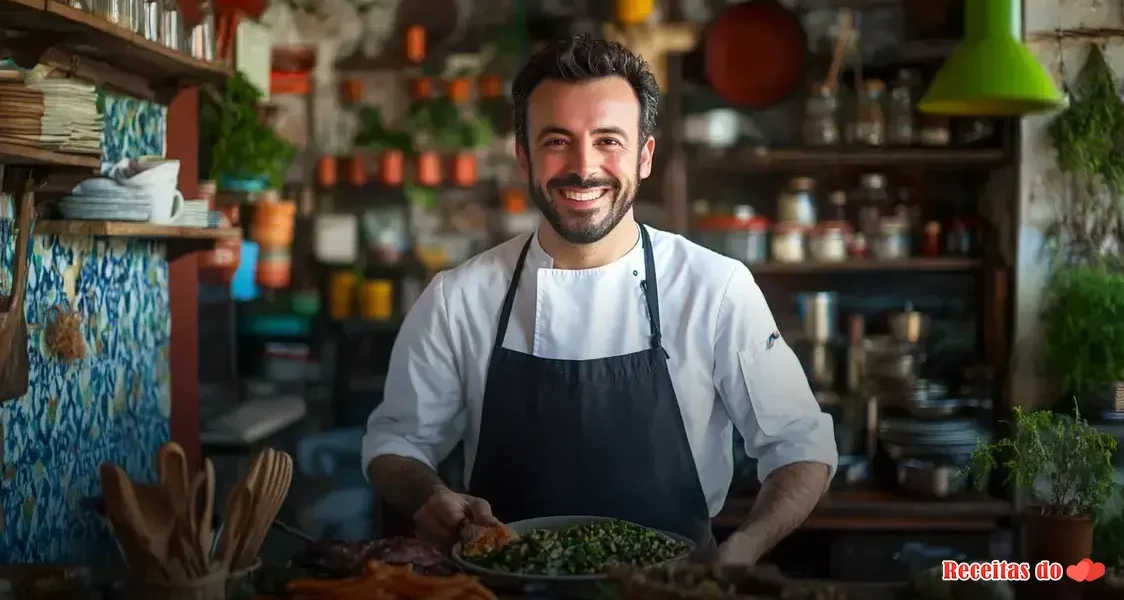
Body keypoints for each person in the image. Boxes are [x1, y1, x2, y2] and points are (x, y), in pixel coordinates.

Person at [363, 35, 837, 564]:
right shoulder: (459, 298)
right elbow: (396, 443)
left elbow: (800, 445)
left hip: (671, 593)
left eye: (609, 140)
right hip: (503, 585)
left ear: (645, 156)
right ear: (524, 156)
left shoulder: (716, 288)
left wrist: (745, 546)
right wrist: (431, 497)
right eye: (556, 140)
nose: (583, 167)